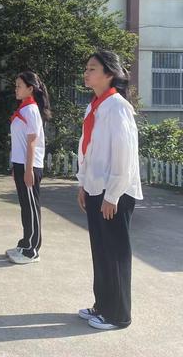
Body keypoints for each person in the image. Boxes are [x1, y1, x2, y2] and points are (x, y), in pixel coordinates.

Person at [76, 50, 143, 330]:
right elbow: (87, 149)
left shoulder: (117, 107)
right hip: (95, 188)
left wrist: (112, 195)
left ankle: (119, 315)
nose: (86, 73)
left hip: (114, 193)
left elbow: (124, 155)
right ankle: (102, 305)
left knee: (114, 253)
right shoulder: (95, 105)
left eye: (92, 69)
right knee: (100, 251)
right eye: (87, 68)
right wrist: (83, 183)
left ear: (109, 74)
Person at [6, 71, 51, 265]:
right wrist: (15, 165)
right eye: (15, 85)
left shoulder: (31, 110)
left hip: (29, 165)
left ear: (30, 89)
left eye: (19, 86)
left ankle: (32, 250)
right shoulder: (23, 109)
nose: (16, 89)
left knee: (32, 207)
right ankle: (25, 243)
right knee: (26, 206)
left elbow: (32, 142)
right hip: (20, 164)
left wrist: (28, 169)